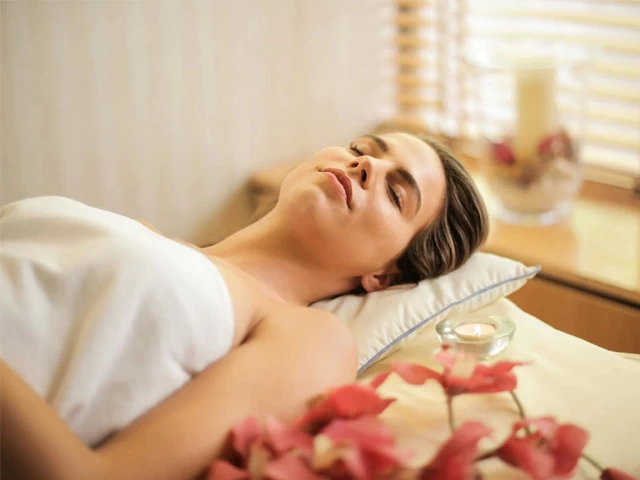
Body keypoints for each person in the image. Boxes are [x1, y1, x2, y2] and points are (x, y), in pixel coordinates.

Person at [0, 132, 488, 480]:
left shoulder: (307, 336)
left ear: (384, 276)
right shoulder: (142, 232)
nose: (366, 166)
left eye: (395, 191)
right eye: (363, 149)